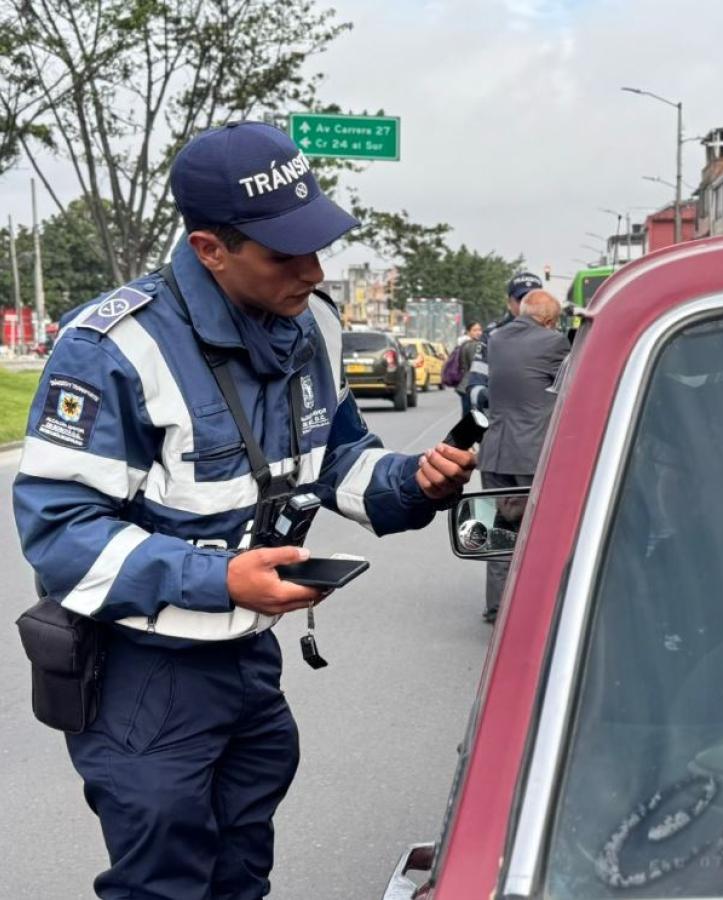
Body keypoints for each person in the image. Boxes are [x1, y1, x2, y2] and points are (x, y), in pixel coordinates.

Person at [10, 121, 474, 899]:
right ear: (208, 249)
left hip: (246, 661)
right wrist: (219, 581)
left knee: (241, 871)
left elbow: (340, 460)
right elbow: (61, 535)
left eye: (316, 244)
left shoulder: (309, 325)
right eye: (284, 254)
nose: (313, 269)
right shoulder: (114, 347)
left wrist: (416, 483)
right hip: (144, 673)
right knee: (165, 880)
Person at [477, 290, 570, 622]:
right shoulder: (554, 343)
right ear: (548, 319)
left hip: (494, 450)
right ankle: (535, 608)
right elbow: (572, 385)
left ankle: (497, 607)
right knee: (540, 534)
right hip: (531, 454)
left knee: (499, 532)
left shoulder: (497, 338)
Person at [465, 271, 542, 413]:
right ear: (509, 303)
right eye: (521, 300)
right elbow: (475, 384)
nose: (527, 306)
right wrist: (488, 397)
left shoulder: (554, 337)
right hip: (502, 420)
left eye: (533, 300)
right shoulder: (493, 335)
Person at [455, 321, 484, 416]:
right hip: (471, 385)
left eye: (479, 330)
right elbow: (475, 365)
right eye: (475, 330)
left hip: (464, 385)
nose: (478, 332)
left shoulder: (464, 344)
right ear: (468, 332)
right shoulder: (475, 345)